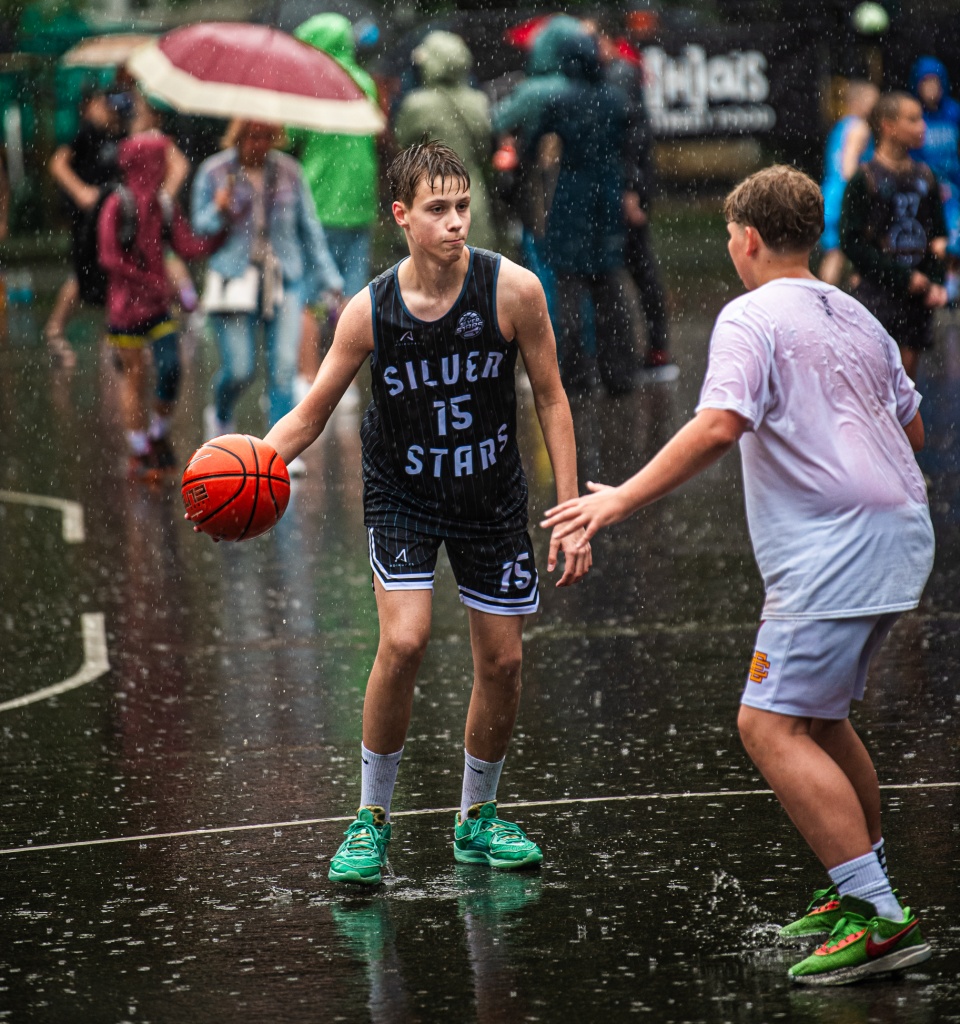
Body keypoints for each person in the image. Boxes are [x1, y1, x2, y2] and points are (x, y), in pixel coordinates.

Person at [544, 164, 935, 987]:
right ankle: (859, 888)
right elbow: (914, 429)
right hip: (901, 530)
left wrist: (617, 501)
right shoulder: (856, 313)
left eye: (729, 235)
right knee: (819, 719)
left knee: (767, 725)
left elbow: (720, 425)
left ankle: (878, 913)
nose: (730, 247)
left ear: (748, 239)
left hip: (835, 548)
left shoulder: (749, 315)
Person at [262, 141, 590, 884]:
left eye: (462, 206)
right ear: (401, 216)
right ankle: (370, 819)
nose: (455, 222)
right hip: (404, 492)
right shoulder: (369, 310)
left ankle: (477, 818)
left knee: (503, 661)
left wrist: (570, 505)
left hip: (489, 495)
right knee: (404, 641)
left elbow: (551, 397)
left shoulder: (512, 291)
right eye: (437, 209)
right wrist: (251, 461)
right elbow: (311, 414)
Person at [192, 120, 343, 476]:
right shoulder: (214, 171)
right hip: (233, 279)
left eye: (265, 137)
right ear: (238, 136)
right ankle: (220, 413)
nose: (258, 144)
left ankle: (278, 451)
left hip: (284, 277)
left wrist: (330, 280)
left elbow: (309, 228)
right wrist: (219, 208)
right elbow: (199, 229)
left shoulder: (289, 171)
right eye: (251, 137)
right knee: (240, 368)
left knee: (283, 367)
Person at [98, 134, 226, 479]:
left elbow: (187, 246)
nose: (165, 167)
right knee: (134, 377)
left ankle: (157, 433)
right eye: (160, 160)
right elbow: (109, 257)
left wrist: (221, 230)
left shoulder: (163, 206)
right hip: (125, 312)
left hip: (157, 310)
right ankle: (140, 450)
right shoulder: (117, 205)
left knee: (171, 367)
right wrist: (151, 281)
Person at [531, 31, 638, 395]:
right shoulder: (615, 99)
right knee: (609, 287)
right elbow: (631, 145)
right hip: (607, 195)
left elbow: (533, 141)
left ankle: (576, 377)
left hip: (571, 196)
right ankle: (618, 375)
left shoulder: (560, 101)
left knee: (569, 289)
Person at [289, 13, 381, 399]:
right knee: (351, 296)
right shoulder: (363, 82)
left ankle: (309, 379)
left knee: (310, 296)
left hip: (320, 203)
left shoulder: (311, 85)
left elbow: (288, 137)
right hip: (360, 205)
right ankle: (349, 385)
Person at [840, 92, 947, 380]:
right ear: (888, 126)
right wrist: (902, 277)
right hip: (877, 294)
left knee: (906, 384)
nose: (922, 126)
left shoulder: (926, 177)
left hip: (917, 298)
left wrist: (936, 280)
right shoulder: (864, 179)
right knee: (876, 379)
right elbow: (851, 241)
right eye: (912, 120)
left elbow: (938, 237)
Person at [492, 16, 586, 314]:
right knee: (579, 274)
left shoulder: (532, 91)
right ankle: (582, 333)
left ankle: (546, 325)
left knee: (541, 262)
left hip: (538, 191)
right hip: (579, 191)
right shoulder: (585, 89)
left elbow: (498, 120)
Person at [606, 39, 678, 382]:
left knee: (634, 271)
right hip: (629, 191)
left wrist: (630, 189)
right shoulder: (620, 75)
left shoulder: (619, 77)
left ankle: (651, 352)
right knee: (637, 271)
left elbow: (632, 139)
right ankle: (651, 351)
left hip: (627, 195)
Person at [394, 31, 496, 250]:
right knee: (472, 262)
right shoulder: (478, 101)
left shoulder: (417, 104)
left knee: (428, 265)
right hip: (471, 196)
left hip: (430, 198)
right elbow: (485, 150)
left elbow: (402, 146)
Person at [45, 85, 124, 362]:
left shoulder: (118, 134)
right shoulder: (86, 133)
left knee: (113, 271)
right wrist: (81, 192)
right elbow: (58, 164)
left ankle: (114, 335)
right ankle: (55, 329)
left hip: (110, 218)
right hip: (89, 221)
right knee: (82, 275)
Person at [818, 79, 878, 287]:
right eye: (873, 101)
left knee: (834, 254)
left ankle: (825, 298)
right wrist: (864, 191)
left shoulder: (840, 126)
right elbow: (848, 167)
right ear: (859, 102)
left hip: (831, 194)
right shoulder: (860, 127)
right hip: (846, 197)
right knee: (850, 253)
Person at [910, 55, 960, 258]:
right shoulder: (914, 114)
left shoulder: (953, 112)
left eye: (935, 82)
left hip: (954, 182)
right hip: (926, 185)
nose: (931, 88)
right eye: (925, 83)